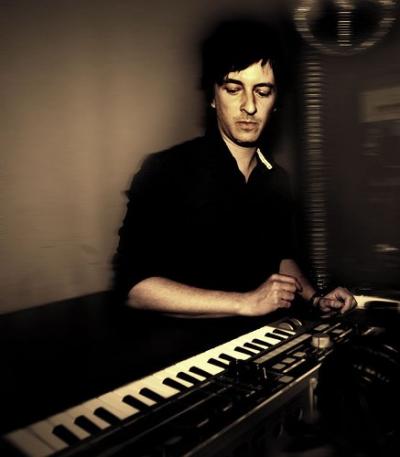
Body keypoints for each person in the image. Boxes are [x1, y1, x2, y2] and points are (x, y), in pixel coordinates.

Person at [112, 19, 356, 317]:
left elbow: (279, 258)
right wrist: (245, 302)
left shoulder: (277, 179)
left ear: (275, 101)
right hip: (181, 341)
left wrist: (316, 299)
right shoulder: (165, 171)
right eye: (233, 89)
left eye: (262, 92)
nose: (249, 106)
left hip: (258, 337)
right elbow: (132, 288)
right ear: (213, 97)